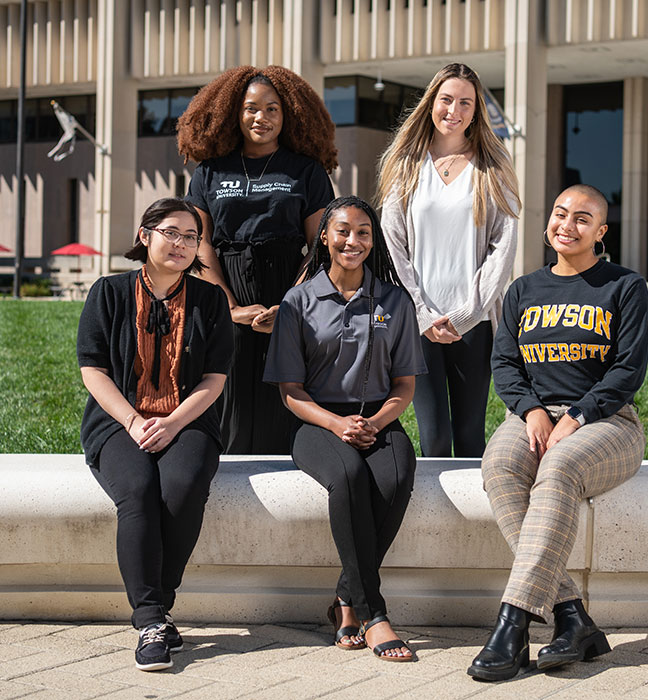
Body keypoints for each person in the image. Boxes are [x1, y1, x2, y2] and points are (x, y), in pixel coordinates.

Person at [467, 185, 648, 682]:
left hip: (608, 422)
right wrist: (530, 412)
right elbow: (504, 363)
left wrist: (578, 416)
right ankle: (572, 617)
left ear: (601, 232)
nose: (567, 225)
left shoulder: (624, 286)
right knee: (501, 468)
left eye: (583, 218)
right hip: (533, 416)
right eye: (560, 214)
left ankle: (513, 625)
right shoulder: (523, 290)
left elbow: (628, 370)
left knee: (559, 467)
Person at [263, 196, 427, 661]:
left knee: (395, 477)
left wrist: (373, 422)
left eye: (363, 232)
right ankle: (374, 613)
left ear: (374, 242)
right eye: (342, 231)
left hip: (378, 417)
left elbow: (405, 385)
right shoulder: (298, 300)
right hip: (317, 419)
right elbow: (290, 391)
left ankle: (344, 600)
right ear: (325, 238)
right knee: (350, 478)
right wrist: (337, 424)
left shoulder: (394, 300)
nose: (352, 241)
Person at [77, 198, 233, 671]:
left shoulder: (209, 300)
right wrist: (132, 421)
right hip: (117, 421)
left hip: (188, 419)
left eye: (192, 237)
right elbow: (93, 369)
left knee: (182, 486)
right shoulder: (108, 292)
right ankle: (151, 621)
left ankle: (157, 607)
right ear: (145, 236)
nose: (182, 244)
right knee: (139, 490)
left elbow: (214, 379)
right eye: (172, 232)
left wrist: (173, 422)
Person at [178, 65, 337, 454]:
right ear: (234, 112)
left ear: (289, 115)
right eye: (251, 108)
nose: (260, 118)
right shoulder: (210, 172)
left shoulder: (307, 172)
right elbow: (200, 243)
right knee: (225, 391)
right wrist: (228, 307)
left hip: (289, 288)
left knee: (282, 393)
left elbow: (321, 245)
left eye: (272, 109)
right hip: (223, 287)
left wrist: (290, 306)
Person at [378, 62, 520, 458]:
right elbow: (393, 245)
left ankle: (473, 522)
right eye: (446, 100)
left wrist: (464, 315)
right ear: (431, 103)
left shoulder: (492, 168)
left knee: (471, 434)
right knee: (435, 437)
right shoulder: (406, 165)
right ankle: (434, 522)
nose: (453, 111)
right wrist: (422, 315)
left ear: (476, 111)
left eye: (465, 103)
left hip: (473, 322)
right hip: (417, 323)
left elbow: (502, 248)